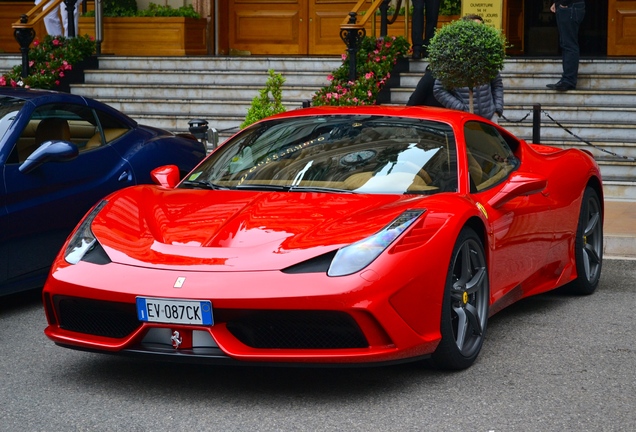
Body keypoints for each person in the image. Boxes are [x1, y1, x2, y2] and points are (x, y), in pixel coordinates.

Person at [432, 15, 504, 122]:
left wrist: (497, 110)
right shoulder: (454, 57)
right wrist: (460, 108)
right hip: (465, 119)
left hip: (490, 117)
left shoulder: (487, 55)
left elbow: (497, 84)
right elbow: (439, 89)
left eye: (481, 28)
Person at [546, 0, 586, 91]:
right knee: (566, 44)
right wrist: (557, 3)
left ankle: (569, 80)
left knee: (569, 45)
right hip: (570, 6)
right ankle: (566, 79)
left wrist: (563, 3)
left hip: (570, 6)